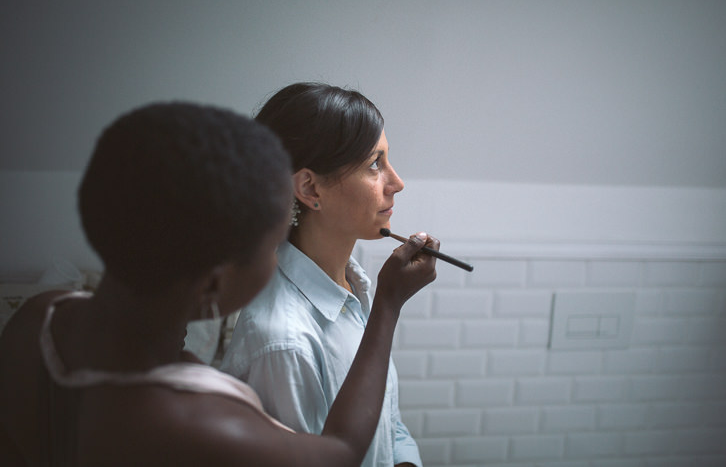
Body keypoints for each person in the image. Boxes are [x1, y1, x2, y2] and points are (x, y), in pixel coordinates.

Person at [0, 101, 438, 466]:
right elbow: (340, 453)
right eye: (269, 247)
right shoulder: (202, 421)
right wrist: (388, 306)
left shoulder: (40, 318)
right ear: (213, 285)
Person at [221, 83, 426, 467]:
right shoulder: (283, 341)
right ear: (310, 188)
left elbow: (387, 421)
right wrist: (389, 305)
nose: (397, 183)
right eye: (374, 165)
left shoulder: (352, 288)